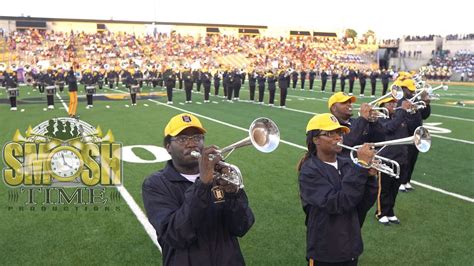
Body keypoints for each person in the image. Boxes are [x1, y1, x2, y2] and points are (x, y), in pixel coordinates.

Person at [142, 113, 255, 266]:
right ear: (168, 147)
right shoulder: (155, 184)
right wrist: (202, 185)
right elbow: (176, 234)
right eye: (182, 139)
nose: (191, 144)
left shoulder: (220, 175)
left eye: (197, 138)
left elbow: (241, 226)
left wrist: (233, 195)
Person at [297, 113, 376, 266]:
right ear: (315, 140)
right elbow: (337, 203)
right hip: (325, 251)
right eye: (330, 134)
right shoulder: (309, 171)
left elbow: (362, 203)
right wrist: (360, 168)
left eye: (339, 133)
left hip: (351, 246)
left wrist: (370, 179)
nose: (338, 137)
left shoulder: (347, 163)